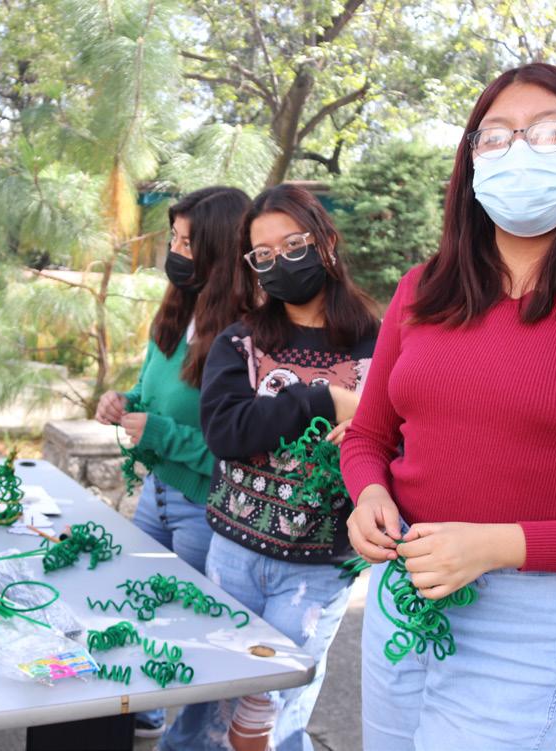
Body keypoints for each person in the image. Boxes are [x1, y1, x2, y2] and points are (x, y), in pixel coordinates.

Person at [342, 62, 556, 751]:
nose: (518, 150)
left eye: (549, 132)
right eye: (495, 136)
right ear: (470, 162)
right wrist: (368, 493)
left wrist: (495, 545)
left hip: (531, 614)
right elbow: (367, 436)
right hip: (402, 590)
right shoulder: (422, 290)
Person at [161, 183, 379, 751]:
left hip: (319, 568)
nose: (279, 262)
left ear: (325, 241)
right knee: (211, 704)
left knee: (273, 718)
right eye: (263, 254)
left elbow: (397, 437)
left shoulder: (378, 346)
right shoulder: (241, 341)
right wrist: (325, 401)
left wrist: (363, 431)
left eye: (293, 245)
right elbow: (227, 432)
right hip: (234, 554)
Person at [94, 185, 254, 738]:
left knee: (188, 628)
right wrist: (122, 404)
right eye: (174, 239)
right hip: (156, 492)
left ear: (220, 251)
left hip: (203, 508)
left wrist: (160, 432)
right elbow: (148, 394)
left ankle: (184, 733)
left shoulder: (243, 339)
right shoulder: (175, 314)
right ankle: (145, 708)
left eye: (188, 243)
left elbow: (240, 452)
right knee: (138, 605)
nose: (175, 252)